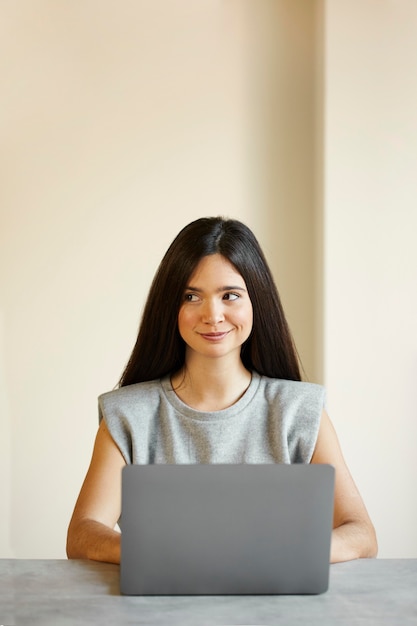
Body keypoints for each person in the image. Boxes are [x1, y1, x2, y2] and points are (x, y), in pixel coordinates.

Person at [66, 216, 377, 565]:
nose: (213, 315)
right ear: (171, 306)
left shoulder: (300, 411)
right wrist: (156, 555)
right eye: (191, 296)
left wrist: (290, 554)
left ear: (255, 302)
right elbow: (83, 532)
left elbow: (361, 533)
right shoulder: (127, 416)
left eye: (230, 295)